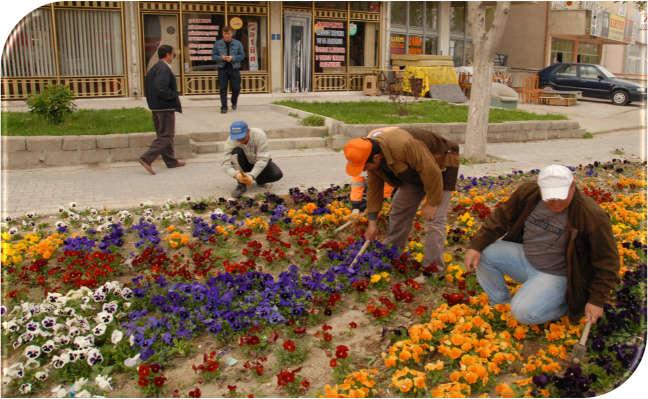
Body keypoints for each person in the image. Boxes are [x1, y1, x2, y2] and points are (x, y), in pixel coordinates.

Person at [464, 165, 619, 325]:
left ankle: (566, 304)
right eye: (550, 198)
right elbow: (501, 218)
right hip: (526, 259)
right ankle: (501, 303)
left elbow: (608, 261)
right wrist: (475, 246)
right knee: (483, 250)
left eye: (561, 196)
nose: (556, 203)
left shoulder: (591, 215)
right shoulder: (529, 194)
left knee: (523, 313)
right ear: (541, 189)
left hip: (558, 274)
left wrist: (596, 300)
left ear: (572, 187)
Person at [343, 126, 460, 271]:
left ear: (377, 157)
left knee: (435, 218)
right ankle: (392, 253)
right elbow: (374, 188)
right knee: (399, 208)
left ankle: (433, 268)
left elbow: (431, 170)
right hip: (415, 170)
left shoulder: (403, 145)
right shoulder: (370, 151)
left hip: (441, 165)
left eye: (365, 166)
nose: (364, 170)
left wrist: (432, 202)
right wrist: (372, 222)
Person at [139, 45, 185, 175]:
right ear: (168, 55)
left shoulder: (156, 67)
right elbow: (161, 87)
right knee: (167, 135)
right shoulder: (163, 69)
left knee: (163, 135)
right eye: (173, 54)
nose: (174, 56)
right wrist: (173, 95)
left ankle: (171, 161)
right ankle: (146, 158)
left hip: (157, 107)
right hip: (164, 107)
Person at [222, 121, 283, 198]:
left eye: (242, 137)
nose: (240, 140)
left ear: (248, 131)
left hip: (258, 161)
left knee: (277, 174)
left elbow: (263, 159)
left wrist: (252, 176)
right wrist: (236, 175)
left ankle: (260, 180)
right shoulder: (231, 140)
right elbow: (225, 162)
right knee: (236, 152)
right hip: (243, 163)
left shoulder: (259, 135)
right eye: (237, 138)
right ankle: (241, 184)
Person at [212, 26, 245, 114]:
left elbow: (242, 56)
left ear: (232, 34)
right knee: (223, 88)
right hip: (222, 69)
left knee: (236, 88)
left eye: (228, 34)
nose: (227, 36)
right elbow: (213, 56)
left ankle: (234, 102)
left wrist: (233, 58)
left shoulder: (238, 43)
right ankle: (224, 107)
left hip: (234, 68)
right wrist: (221, 57)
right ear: (222, 33)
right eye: (225, 34)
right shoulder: (217, 43)